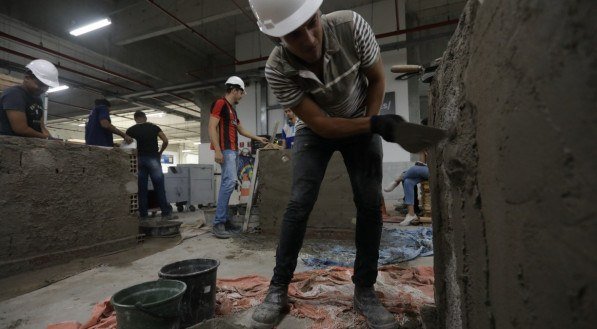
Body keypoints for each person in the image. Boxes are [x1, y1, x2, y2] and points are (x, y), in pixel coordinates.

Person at [246, 1, 447, 328]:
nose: (309, 39)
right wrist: (374, 127)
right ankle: (278, 288)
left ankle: (364, 290)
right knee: (299, 203)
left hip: (361, 115)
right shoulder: (277, 69)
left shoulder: (352, 27)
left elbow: (378, 78)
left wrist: (369, 121)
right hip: (315, 131)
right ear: (277, 39)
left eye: (312, 23)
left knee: (369, 205)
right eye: (294, 35)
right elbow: (322, 125)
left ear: (319, 13)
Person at [209, 76, 268, 239]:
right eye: (241, 93)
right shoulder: (220, 103)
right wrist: (218, 151)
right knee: (229, 183)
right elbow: (212, 127)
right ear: (234, 90)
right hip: (226, 150)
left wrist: (257, 138)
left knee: (228, 184)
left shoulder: (232, 110)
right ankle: (218, 223)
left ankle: (225, 221)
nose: (242, 96)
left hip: (233, 151)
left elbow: (241, 130)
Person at [126, 110, 177, 220]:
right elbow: (165, 140)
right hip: (153, 158)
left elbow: (127, 147)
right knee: (159, 187)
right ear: (145, 118)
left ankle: (143, 216)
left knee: (142, 189)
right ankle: (165, 214)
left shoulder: (130, 130)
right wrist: (160, 153)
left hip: (138, 160)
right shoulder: (154, 127)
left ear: (135, 119)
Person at [384, 118, 431, 226]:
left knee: (413, 170)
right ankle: (411, 214)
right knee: (408, 181)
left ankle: (397, 180)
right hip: (425, 170)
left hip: (436, 171)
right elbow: (421, 163)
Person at [0, 59, 59, 138]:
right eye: (40, 84)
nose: (44, 89)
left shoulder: (37, 99)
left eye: (47, 86)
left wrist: (51, 139)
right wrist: (45, 138)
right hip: (9, 145)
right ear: (27, 78)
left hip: (28, 145)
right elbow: (20, 129)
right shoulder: (14, 95)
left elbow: (41, 127)